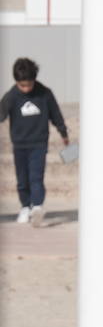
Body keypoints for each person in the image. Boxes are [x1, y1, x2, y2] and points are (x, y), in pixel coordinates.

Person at [3, 58, 68, 226]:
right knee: (22, 179)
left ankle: (37, 207)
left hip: (39, 143)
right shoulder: (11, 96)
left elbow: (56, 114)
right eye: (22, 85)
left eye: (29, 85)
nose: (26, 89)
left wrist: (63, 133)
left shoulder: (45, 94)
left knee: (36, 177)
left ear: (34, 79)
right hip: (19, 144)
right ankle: (25, 207)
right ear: (16, 82)